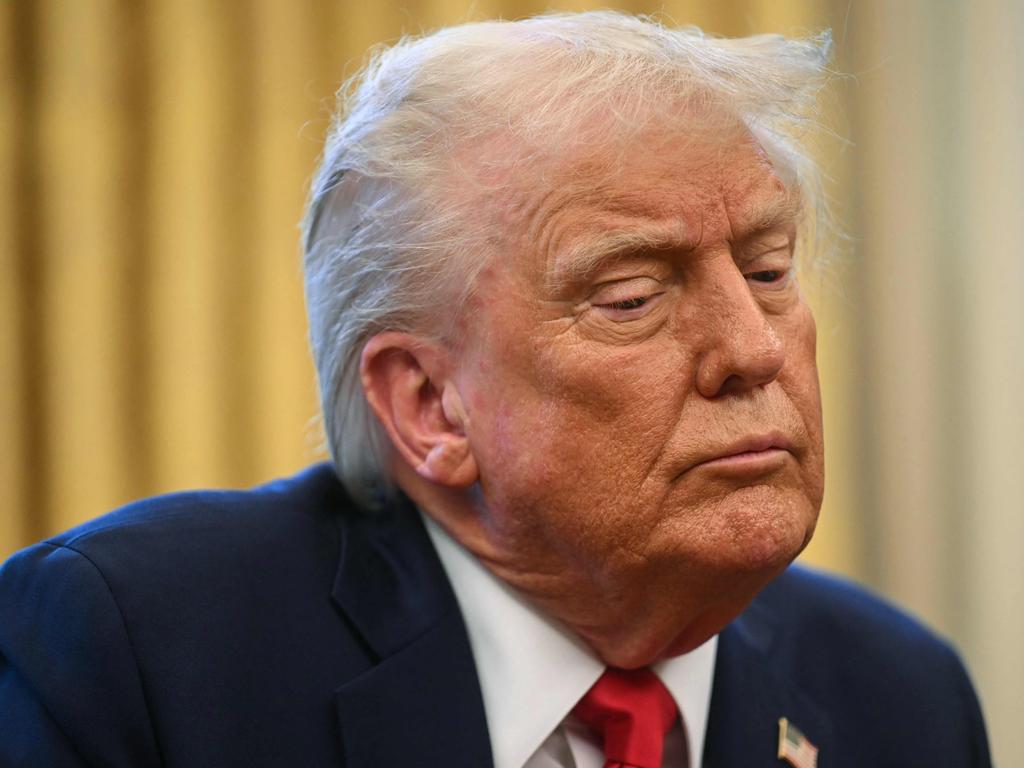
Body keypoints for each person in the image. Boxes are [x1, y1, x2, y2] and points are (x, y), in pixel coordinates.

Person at [0, 12, 990, 768]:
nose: (751, 349)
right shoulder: (141, 653)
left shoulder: (896, 694)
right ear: (429, 405)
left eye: (768, 270)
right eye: (633, 294)